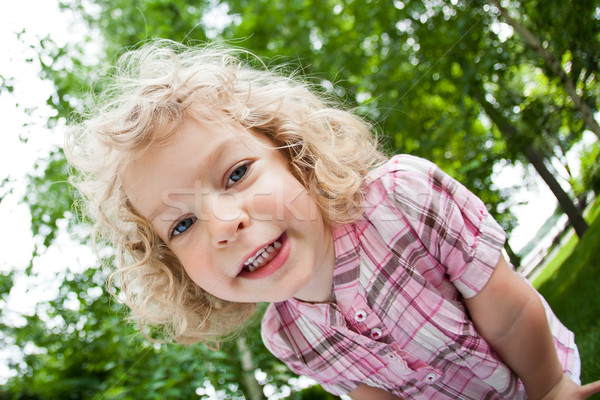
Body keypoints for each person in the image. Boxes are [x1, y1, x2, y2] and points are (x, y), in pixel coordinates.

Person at [66, 39, 599, 399]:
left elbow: (506, 313)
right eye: (181, 225)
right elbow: (372, 391)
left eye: (236, 175)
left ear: (292, 153)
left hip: (542, 373)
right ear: (173, 265)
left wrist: (551, 389)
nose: (224, 224)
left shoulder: (402, 200)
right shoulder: (288, 336)